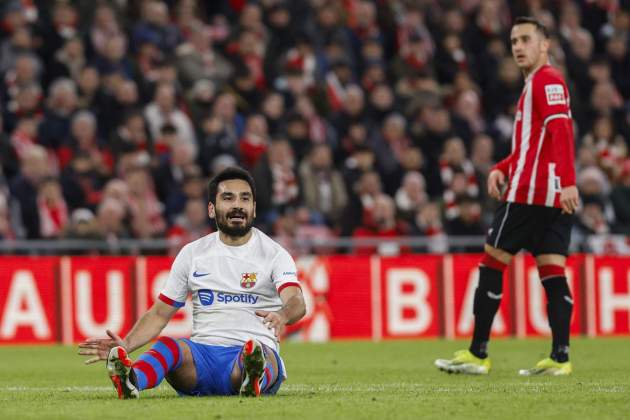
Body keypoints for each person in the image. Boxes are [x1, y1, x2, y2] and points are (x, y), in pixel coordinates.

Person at [78, 167, 306, 398]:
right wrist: (125, 345)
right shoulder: (193, 253)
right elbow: (159, 314)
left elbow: (296, 300)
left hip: (252, 348)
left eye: (245, 198)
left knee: (258, 355)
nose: (237, 205)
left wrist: (283, 315)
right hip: (202, 360)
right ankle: (131, 380)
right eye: (228, 198)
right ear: (211, 209)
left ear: (254, 209)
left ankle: (251, 376)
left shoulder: (275, 254)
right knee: (168, 346)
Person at [435, 17, 579, 376]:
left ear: (544, 45)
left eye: (527, 39)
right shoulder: (540, 83)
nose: (518, 46)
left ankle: (477, 353)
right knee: (552, 271)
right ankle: (560, 358)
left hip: (529, 193)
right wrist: (502, 164)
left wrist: (569, 181)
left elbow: (561, 131)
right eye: (514, 40)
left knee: (491, 264)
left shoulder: (546, 80)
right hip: (551, 197)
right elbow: (535, 145)